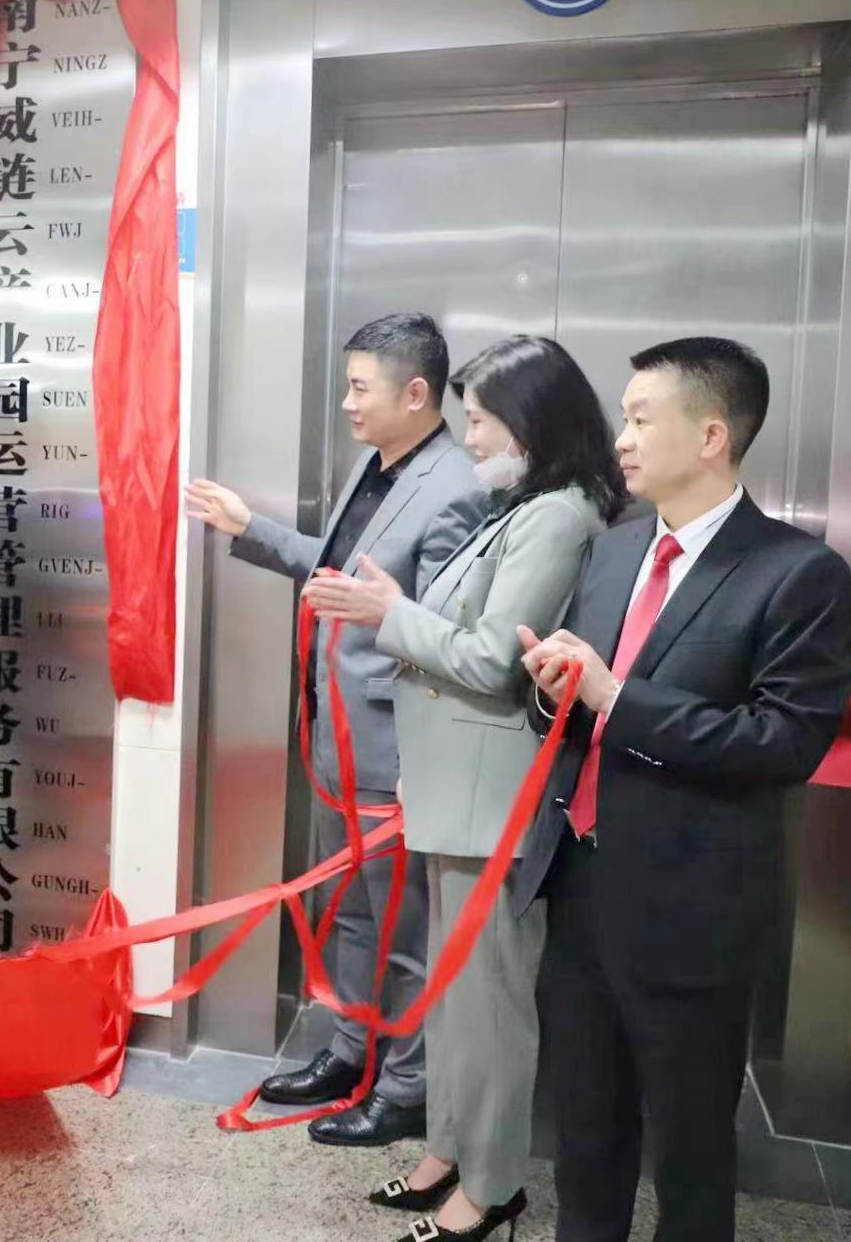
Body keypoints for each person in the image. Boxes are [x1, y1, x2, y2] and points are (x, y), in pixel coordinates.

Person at [516, 338, 851, 1242]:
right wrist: (552, 688)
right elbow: (586, 700)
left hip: (693, 908)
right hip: (581, 886)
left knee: (691, 1151)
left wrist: (616, 697)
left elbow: (782, 743)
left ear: (711, 435)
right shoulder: (615, 549)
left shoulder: (797, 573)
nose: (621, 440)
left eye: (640, 419)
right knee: (584, 1134)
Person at [302, 336, 625, 1240]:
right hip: (456, 793)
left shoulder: (558, 517)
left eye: (480, 420)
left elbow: (490, 660)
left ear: (531, 421)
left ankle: (491, 1184)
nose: (470, 436)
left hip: (496, 804)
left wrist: (389, 614)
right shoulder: (515, 506)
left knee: (489, 1008)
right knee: (453, 997)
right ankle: (447, 1151)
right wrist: (397, 612)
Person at [185, 313, 489, 1147]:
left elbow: (446, 632)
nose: (348, 404)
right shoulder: (376, 462)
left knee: (405, 930)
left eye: (360, 388)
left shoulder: (455, 487)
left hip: (396, 751)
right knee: (350, 912)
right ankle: (352, 1049)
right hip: (333, 743)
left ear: (415, 393)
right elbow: (339, 568)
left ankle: (407, 1086)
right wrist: (250, 528)